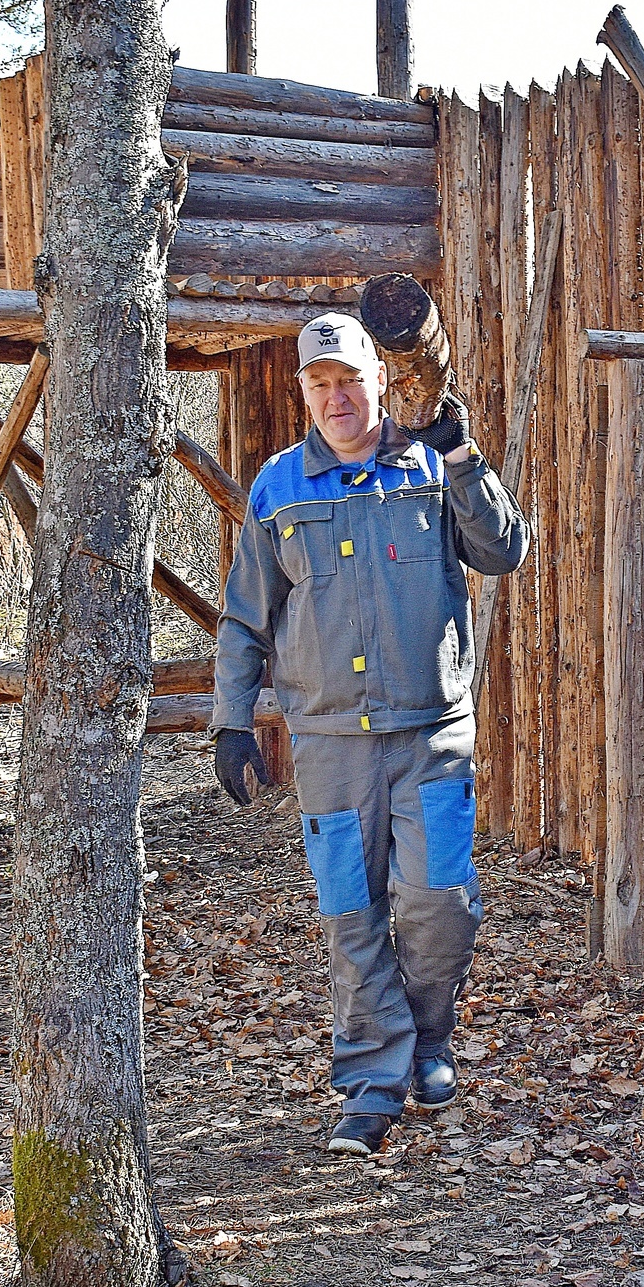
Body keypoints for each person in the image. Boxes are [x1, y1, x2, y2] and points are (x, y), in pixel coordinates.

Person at [211, 311, 531, 1157]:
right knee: (351, 916)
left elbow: (503, 553)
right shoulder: (278, 487)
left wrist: (463, 454)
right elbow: (246, 617)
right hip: (329, 748)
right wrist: (231, 722)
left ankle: (428, 1036)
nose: (337, 396)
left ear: (380, 380)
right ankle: (369, 1080)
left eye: (350, 378)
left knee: (441, 907)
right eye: (320, 384)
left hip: (432, 736)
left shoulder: (431, 461)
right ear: (304, 393)